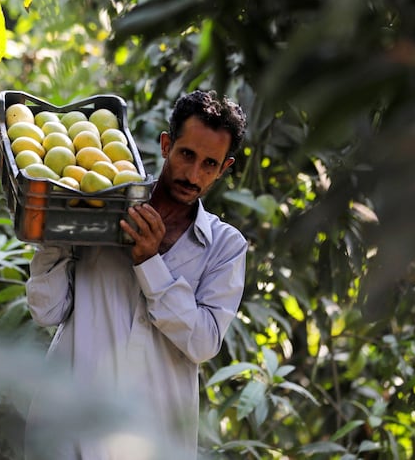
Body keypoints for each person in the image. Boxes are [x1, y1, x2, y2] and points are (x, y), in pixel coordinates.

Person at [24, 90, 248, 459]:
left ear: (224, 168)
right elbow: (46, 312)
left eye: (210, 164)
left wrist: (149, 263)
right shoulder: (102, 205)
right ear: (165, 145)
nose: (194, 175)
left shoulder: (225, 247)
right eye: (187, 154)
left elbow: (204, 342)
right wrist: (57, 229)